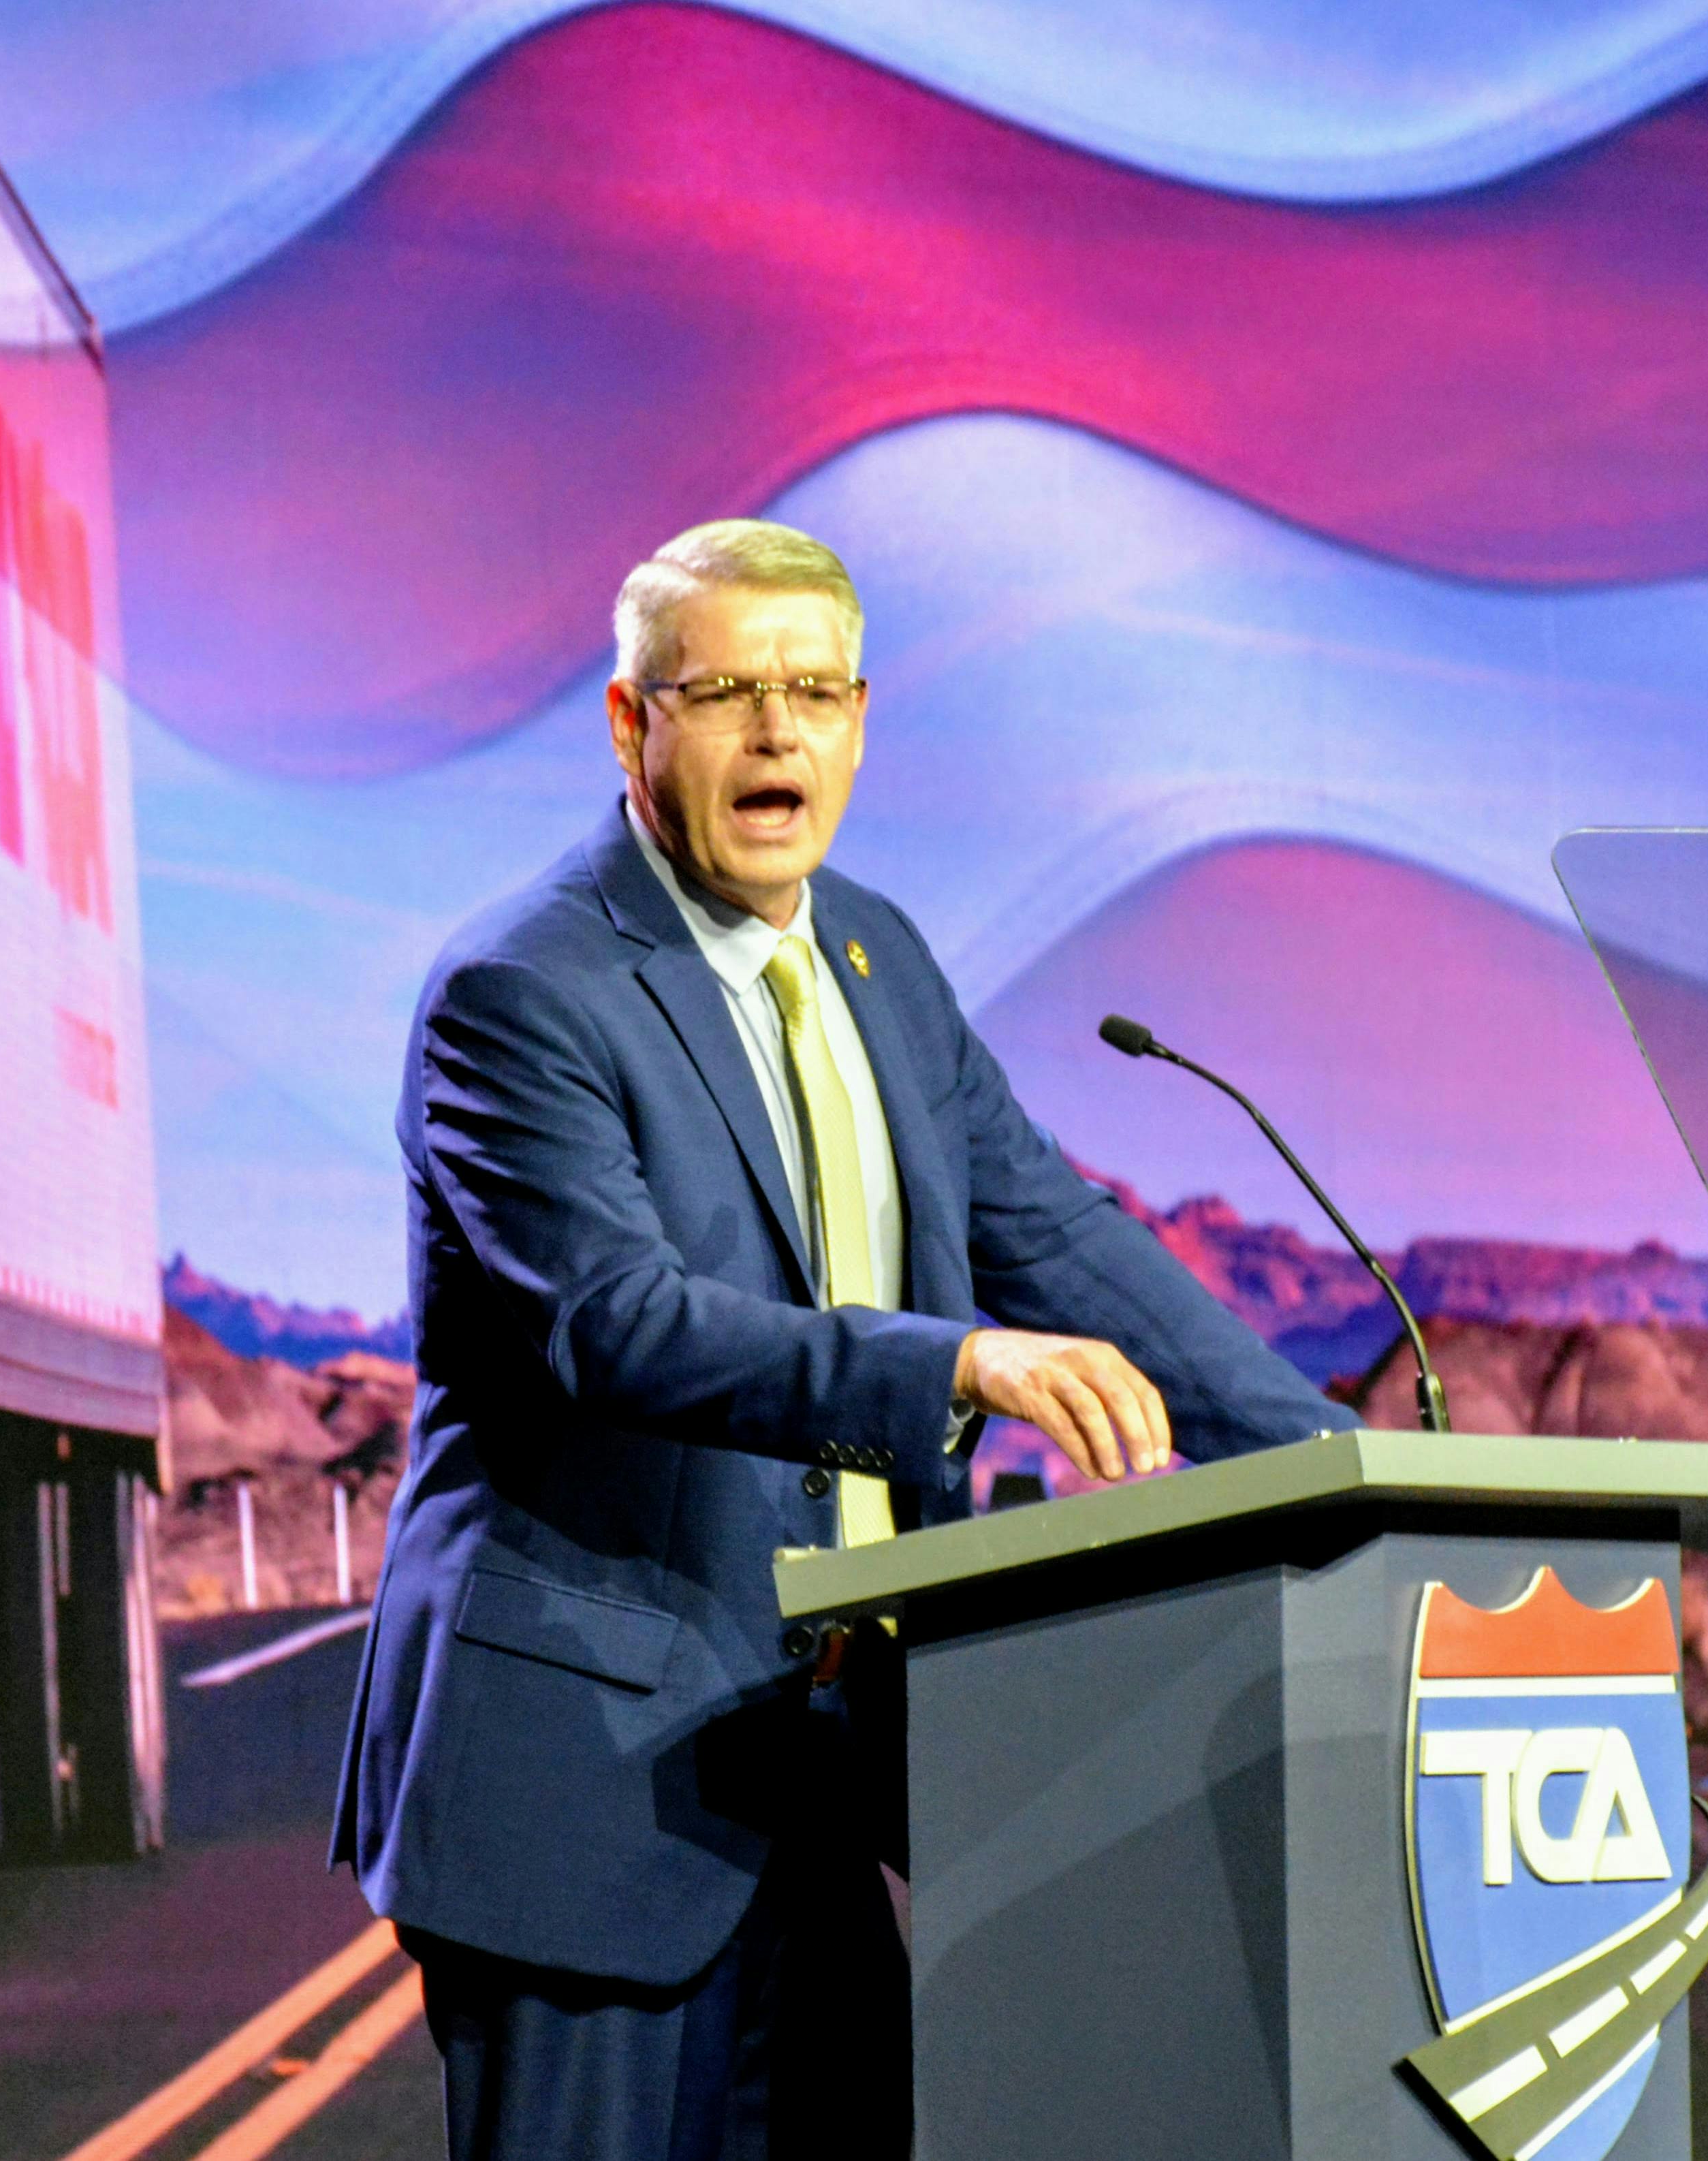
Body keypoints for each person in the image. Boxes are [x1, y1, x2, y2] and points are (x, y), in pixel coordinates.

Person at [336, 519, 1347, 2159]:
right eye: (726, 688)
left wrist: (1339, 1460)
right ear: (631, 721)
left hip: (828, 1755)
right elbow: (619, 1322)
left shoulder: (878, 961)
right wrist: (951, 1366)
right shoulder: (522, 993)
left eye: (813, 690)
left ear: (863, 721)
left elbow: (1059, 1233)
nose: (775, 730)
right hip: (593, 1777)